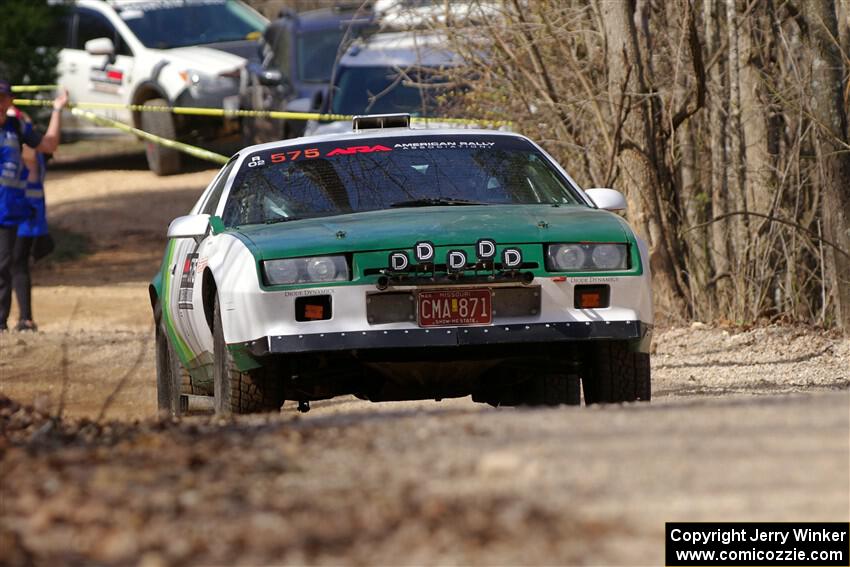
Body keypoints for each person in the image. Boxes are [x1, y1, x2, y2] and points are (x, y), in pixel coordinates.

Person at [0, 79, 68, 331]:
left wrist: (58, 110)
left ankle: (12, 320)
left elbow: (49, 144)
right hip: (15, 213)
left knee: (9, 264)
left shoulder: (17, 129)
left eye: (2, 99)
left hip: (13, 214)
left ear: (9, 102)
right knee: (9, 264)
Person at [10, 112, 48, 331]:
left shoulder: (25, 151)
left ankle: (25, 318)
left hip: (24, 221)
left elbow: (37, 152)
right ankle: (25, 317)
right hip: (28, 220)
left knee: (16, 267)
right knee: (16, 267)